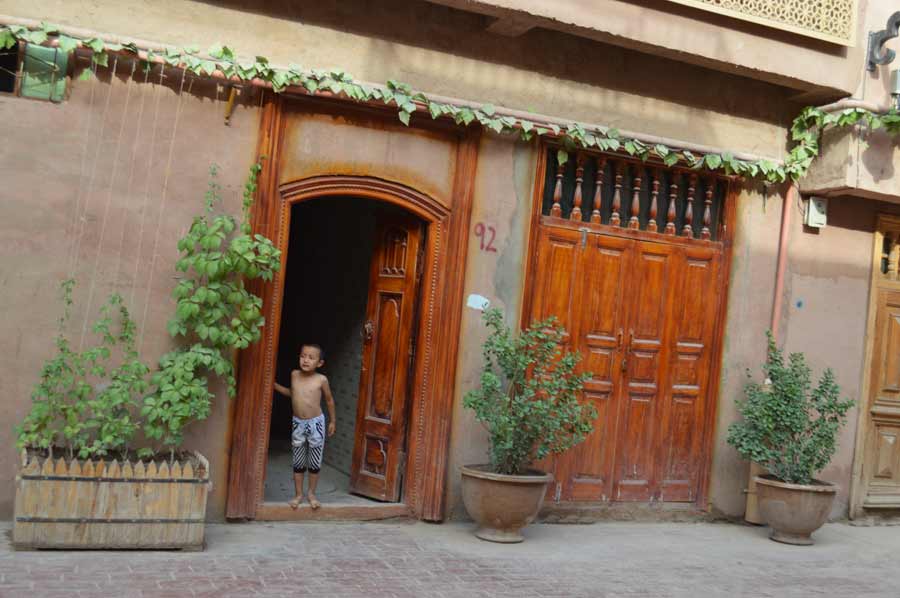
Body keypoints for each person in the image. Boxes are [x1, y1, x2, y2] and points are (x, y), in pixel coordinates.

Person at [273, 343, 336, 510]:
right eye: (303, 356)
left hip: (316, 424)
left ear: (320, 363)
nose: (305, 360)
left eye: (311, 357)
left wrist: (332, 421)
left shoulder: (321, 380)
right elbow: (292, 393)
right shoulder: (294, 375)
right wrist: (273, 385)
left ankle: (312, 494)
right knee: (298, 461)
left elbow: (329, 400)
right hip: (298, 423)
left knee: (314, 462)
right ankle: (298, 494)